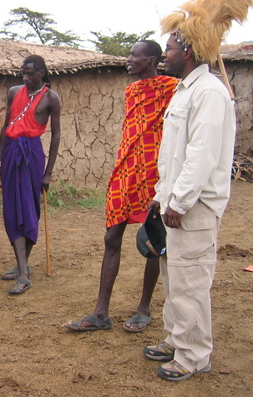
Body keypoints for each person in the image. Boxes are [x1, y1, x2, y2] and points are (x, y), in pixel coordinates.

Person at [64, 41, 178, 332]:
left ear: (151, 60)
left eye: (134, 56)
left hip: (152, 173)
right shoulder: (132, 90)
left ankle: (144, 309)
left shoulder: (171, 87)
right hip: (125, 172)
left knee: (152, 241)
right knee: (111, 238)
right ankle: (101, 312)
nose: (128, 60)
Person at [143, 31, 236, 381]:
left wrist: (178, 202)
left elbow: (202, 155)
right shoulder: (186, 90)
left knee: (191, 282)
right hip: (176, 203)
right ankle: (176, 340)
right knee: (175, 278)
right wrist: (161, 194)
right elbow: (174, 153)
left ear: (189, 51)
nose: (164, 53)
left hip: (193, 207)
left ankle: (194, 356)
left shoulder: (210, 93)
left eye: (169, 47)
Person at [0, 55, 61, 295]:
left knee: (30, 210)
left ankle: (23, 268)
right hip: (12, 152)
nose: (26, 77)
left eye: (30, 73)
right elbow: (5, 127)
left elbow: (55, 136)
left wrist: (48, 173)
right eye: (23, 73)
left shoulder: (51, 98)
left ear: (41, 72)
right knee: (12, 210)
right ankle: (22, 270)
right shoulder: (14, 92)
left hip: (32, 155)